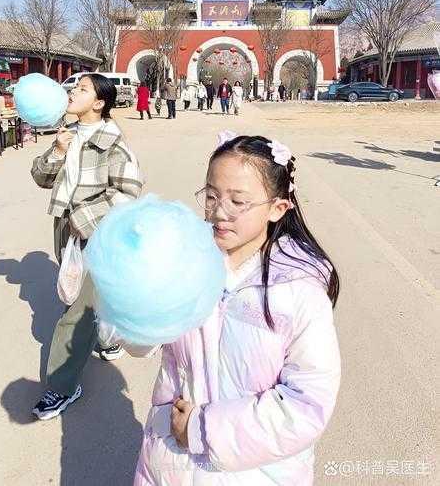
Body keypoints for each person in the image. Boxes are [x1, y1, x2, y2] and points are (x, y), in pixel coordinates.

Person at [130, 133, 340, 485]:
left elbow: (307, 404)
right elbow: (139, 345)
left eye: (238, 201)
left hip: (257, 470)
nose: (219, 213)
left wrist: (201, 429)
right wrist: (138, 300)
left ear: (277, 208)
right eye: (211, 196)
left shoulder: (299, 293)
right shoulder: (185, 263)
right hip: (170, 463)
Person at [30, 74, 144, 420]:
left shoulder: (113, 143)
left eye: (81, 89)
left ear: (99, 103)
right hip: (65, 228)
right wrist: (58, 151)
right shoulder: (67, 135)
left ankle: (61, 387)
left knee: (76, 311)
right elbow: (40, 177)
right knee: (81, 294)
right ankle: (107, 340)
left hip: (97, 232)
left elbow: (129, 190)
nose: (72, 93)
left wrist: (88, 217)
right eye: (73, 88)